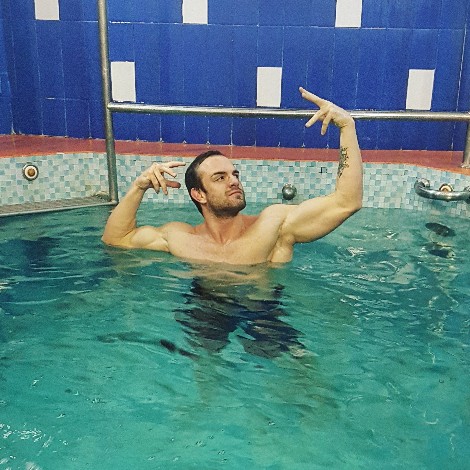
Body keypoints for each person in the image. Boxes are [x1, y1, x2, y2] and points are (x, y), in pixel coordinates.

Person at [102, 88, 363, 265]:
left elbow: (346, 202)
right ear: (198, 194)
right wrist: (138, 187)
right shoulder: (179, 238)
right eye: (220, 178)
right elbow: (116, 239)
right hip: (205, 307)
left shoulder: (273, 226)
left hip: (261, 311)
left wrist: (346, 127)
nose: (234, 181)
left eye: (234, 174)